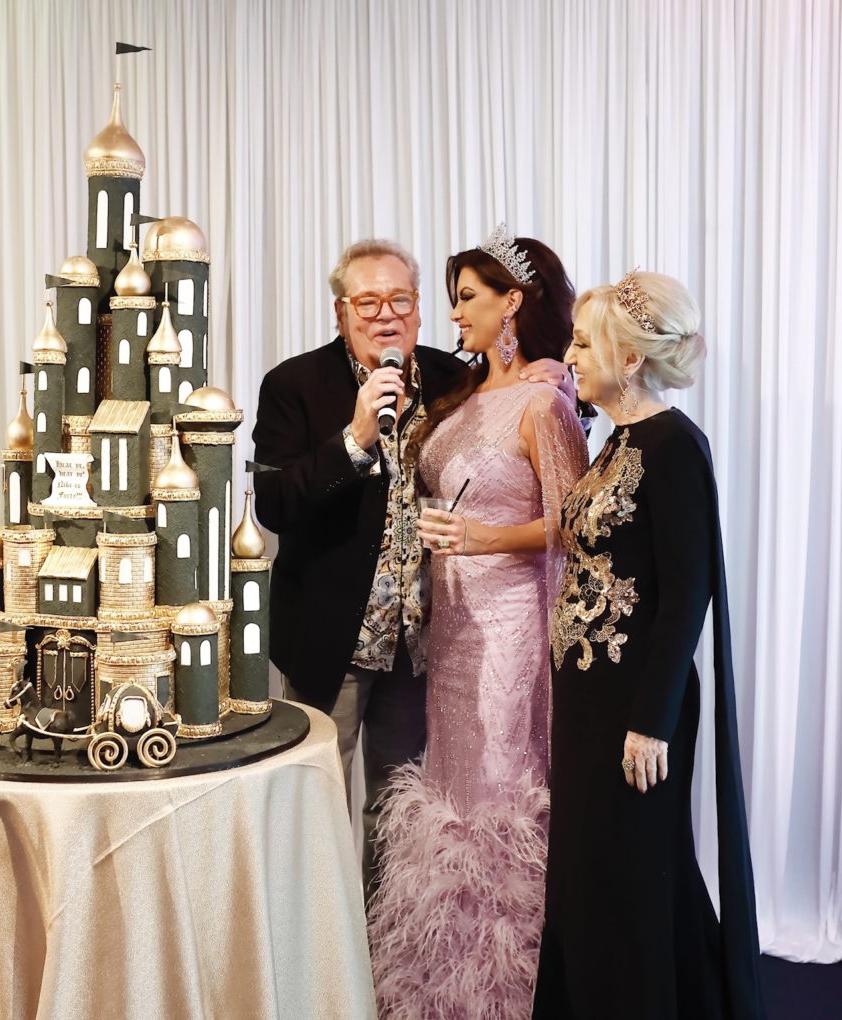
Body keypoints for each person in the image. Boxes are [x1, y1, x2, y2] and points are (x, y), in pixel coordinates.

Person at [251, 238, 570, 896]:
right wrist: (355, 439)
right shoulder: (294, 386)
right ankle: (314, 957)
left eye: (401, 299)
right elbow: (276, 506)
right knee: (313, 805)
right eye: (368, 302)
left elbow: (520, 404)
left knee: (398, 814)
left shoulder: (455, 378)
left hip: (423, 650)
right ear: (342, 312)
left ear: (420, 311)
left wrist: (556, 372)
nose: (385, 314)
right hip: (331, 643)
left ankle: (378, 954)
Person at [366, 226, 588, 1019]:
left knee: (497, 788)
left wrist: (487, 536)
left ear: (513, 304)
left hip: (511, 625)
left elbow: (575, 522)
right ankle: (441, 983)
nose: (453, 316)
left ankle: (511, 988)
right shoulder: (463, 393)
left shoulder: (545, 399)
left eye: (466, 299)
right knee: (452, 784)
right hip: (452, 630)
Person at [534, 271, 765, 1019]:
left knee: (628, 874)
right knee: (589, 873)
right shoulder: (613, 442)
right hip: (587, 700)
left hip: (636, 710)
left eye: (581, 341)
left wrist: (652, 720)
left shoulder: (673, 447)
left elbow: (686, 592)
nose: (568, 355)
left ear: (629, 358)